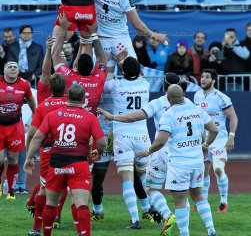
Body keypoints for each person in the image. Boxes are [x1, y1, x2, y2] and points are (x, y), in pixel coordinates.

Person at [98, 72, 191, 234]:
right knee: (183, 192)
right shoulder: (190, 104)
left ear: (165, 87)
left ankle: (165, 214)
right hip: (184, 153)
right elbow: (208, 128)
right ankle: (191, 230)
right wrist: (203, 146)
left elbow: (136, 116)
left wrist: (112, 116)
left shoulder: (158, 102)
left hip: (161, 152)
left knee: (150, 188)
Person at [136, 84, 219, 236]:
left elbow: (161, 141)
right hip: (197, 162)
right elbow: (214, 129)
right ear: (183, 95)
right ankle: (211, 229)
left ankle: (184, 233)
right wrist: (206, 144)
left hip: (179, 164)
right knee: (198, 196)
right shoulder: (197, 110)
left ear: (168, 99)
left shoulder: (169, 114)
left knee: (180, 201)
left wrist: (147, 151)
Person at [24, 84, 106, 236]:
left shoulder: (53, 115)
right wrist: (98, 152)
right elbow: (101, 141)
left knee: (51, 203)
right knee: (81, 204)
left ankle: (45, 233)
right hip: (79, 164)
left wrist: (29, 158)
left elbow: (36, 137)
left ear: (67, 97)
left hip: (56, 164)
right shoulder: (89, 117)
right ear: (84, 99)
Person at [99, 57, 154, 229]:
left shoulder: (115, 85)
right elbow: (139, 73)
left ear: (123, 71)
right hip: (143, 137)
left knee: (127, 180)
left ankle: (135, 219)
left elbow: (104, 81)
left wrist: (112, 61)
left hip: (123, 137)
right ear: (139, 71)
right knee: (144, 178)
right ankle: (150, 208)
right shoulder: (145, 84)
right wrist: (124, 62)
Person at [93, 0, 169, 77]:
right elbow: (137, 25)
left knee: (105, 79)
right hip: (121, 41)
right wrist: (155, 36)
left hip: (102, 40)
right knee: (136, 74)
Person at [0, 60, 35, 200]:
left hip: (15, 127)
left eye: (15, 67)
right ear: (5, 70)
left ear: (18, 71)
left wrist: (36, 119)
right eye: (10, 67)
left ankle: (11, 189)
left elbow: (31, 102)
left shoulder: (24, 84)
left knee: (13, 159)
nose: (13, 69)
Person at [26, 72, 68, 236]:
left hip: (47, 150)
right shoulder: (72, 104)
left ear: (50, 88)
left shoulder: (42, 106)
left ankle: (37, 228)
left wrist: (30, 152)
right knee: (66, 185)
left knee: (45, 186)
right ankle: (78, 227)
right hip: (69, 149)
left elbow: (31, 133)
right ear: (66, 88)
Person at [194, 69, 238, 212]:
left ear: (213, 80)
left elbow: (233, 117)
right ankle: (203, 202)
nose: (203, 79)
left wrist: (231, 136)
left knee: (218, 169)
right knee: (203, 171)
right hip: (203, 138)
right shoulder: (197, 95)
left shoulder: (221, 97)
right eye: (202, 77)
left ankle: (223, 202)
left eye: (207, 77)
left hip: (219, 138)